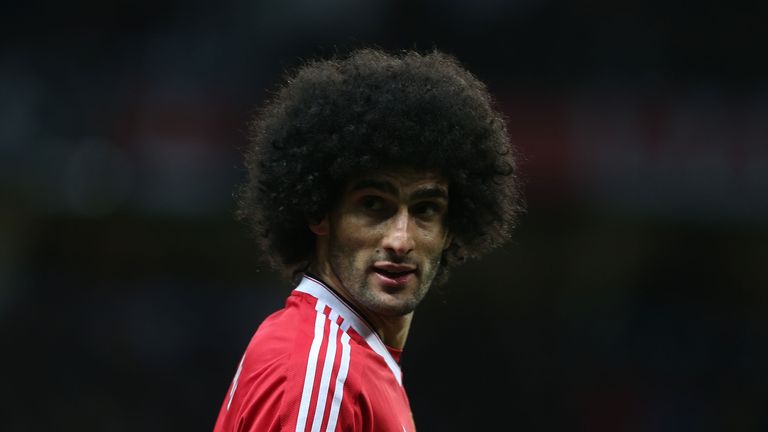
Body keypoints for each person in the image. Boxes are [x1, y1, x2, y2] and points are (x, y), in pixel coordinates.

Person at [213, 48, 523, 432]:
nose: (400, 240)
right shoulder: (325, 374)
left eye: (426, 209)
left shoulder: (346, 356)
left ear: (451, 229)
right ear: (319, 212)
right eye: (374, 205)